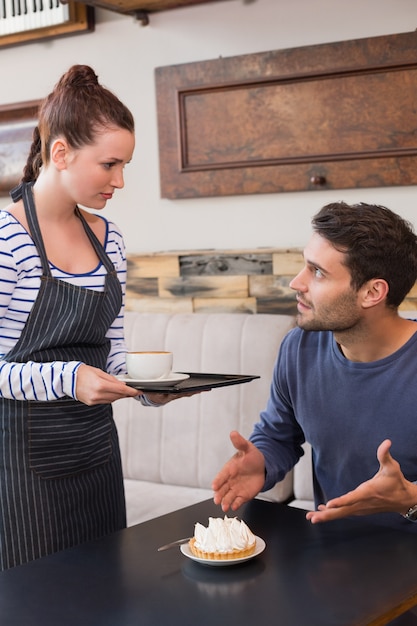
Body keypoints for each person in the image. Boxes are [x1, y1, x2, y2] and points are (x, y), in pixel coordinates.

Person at [0, 64, 186, 570]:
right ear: (60, 152)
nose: (120, 181)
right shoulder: (7, 239)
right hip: (21, 465)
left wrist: (147, 385)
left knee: (105, 590)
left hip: (96, 452)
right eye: (109, 165)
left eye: (125, 165)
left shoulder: (111, 238)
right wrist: (70, 378)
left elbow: (113, 346)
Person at [212, 201, 417, 534]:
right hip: (329, 551)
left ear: (372, 292)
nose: (297, 282)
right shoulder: (299, 348)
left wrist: (410, 499)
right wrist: (261, 463)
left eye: (317, 271)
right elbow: (279, 436)